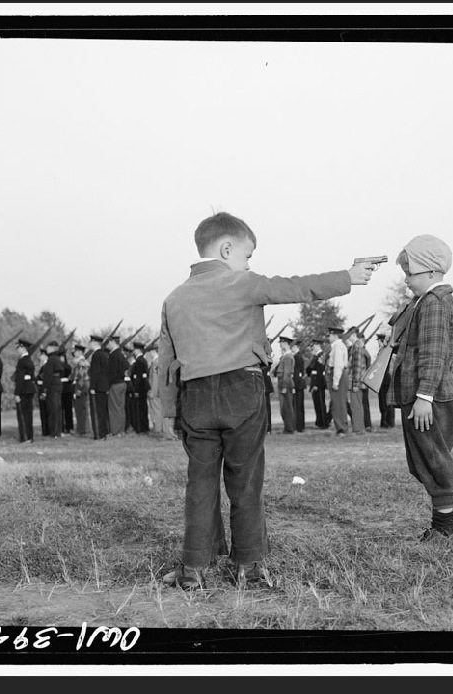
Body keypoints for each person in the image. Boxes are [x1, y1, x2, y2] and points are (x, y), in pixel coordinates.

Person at [157, 211, 375, 590]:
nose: (249, 264)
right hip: (242, 390)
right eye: (247, 255)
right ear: (227, 249)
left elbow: (166, 363)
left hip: (194, 397)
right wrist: (348, 278)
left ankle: (193, 568)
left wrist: (171, 412)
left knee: (200, 484)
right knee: (245, 482)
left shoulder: (173, 299)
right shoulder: (243, 283)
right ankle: (249, 566)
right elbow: (295, 287)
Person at [386, 235, 453, 542]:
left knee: (433, 459)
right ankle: (443, 522)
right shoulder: (423, 303)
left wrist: (424, 397)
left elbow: (433, 352)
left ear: (430, 272)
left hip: (429, 397)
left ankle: (444, 528)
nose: (406, 280)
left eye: (410, 273)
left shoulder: (434, 303)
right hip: (423, 396)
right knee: (424, 459)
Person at [325, 326, 350, 437]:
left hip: (338, 376)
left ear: (335, 335)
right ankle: (341, 426)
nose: (328, 337)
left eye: (329, 335)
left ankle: (341, 428)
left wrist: (335, 382)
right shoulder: (336, 346)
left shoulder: (338, 346)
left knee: (338, 404)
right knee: (339, 403)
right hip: (338, 375)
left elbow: (338, 365)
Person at [87, 335, 111, 440]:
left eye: (91, 342)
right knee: (103, 411)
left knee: (97, 411)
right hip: (104, 386)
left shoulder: (96, 355)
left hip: (97, 387)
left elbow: (95, 372)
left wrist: (92, 387)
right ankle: (105, 432)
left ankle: (98, 433)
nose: (90, 344)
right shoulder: (104, 354)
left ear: (95, 343)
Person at [13, 339, 37, 443]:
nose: (17, 350)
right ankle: (29, 436)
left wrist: (17, 393)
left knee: (23, 414)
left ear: (23, 348)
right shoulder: (29, 360)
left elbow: (20, 379)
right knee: (28, 414)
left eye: (18, 347)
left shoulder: (22, 361)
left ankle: (26, 437)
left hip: (23, 390)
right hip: (29, 388)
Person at [272, 335, 296, 434]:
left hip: (285, 382)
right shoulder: (285, 356)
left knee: (286, 407)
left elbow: (287, 373)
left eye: (282, 343)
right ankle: (288, 427)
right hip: (283, 381)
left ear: (286, 344)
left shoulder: (288, 357)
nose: (280, 345)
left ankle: (289, 428)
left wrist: (285, 386)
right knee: (284, 407)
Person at [41, 340, 65, 438]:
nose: (47, 349)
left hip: (52, 386)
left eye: (48, 347)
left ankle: (54, 432)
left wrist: (44, 389)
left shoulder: (51, 359)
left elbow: (47, 376)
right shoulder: (57, 359)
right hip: (58, 384)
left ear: (52, 348)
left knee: (53, 409)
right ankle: (57, 430)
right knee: (57, 408)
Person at [107, 335, 129, 436]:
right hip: (122, 383)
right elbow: (126, 365)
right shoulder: (120, 354)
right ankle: (121, 430)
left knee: (114, 408)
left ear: (112, 342)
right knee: (120, 408)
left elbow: (111, 372)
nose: (108, 345)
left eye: (109, 342)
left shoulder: (113, 355)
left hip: (115, 384)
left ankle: (116, 431)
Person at [347, 329, 366, 434]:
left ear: (353, 334)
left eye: (350, 334)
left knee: (356, 406)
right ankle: (359, 427)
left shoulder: (356, 346)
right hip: (358, 382)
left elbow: (357, 366)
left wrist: (355, 383)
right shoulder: (358, 346)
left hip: (356, 383)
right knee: (357, 405)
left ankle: (358, 428)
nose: (348, 336)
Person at [375, 331, 396, 429]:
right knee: (385, 401)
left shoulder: (384, 351)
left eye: (379, 341)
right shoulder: (386, 351)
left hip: (385, 378)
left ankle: (386, 422)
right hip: (385, 378)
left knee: (385, 402)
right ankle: (387, 422)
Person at [307, 340, 329, 429]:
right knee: (317, 404)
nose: (313, 347)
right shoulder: (315, 356)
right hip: (314, 381)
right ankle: (319, 422)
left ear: (318, 345)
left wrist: (316, 384)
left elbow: (320, 371)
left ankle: (324, 422)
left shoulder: (321, 356)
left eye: (314, 345)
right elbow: (309, 369)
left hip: (318, 383)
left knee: (320, 403)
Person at [71, 343, 91, 436]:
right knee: (80, 409)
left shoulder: (81, 363)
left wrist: (78, 390)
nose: (74, 353)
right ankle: (82, 429)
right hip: (82, 387)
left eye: (75, 352)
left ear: (79, 352)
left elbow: (81, 377)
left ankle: (82, 430)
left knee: (81, 410)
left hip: (81, 387)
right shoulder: (81, 362)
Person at [131, 342, 150, 434]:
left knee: (140, 409)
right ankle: (144, 427)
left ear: (138, 350)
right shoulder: (143, 360)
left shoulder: (139, 361)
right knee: (143, 408)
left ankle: (141, 428)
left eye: (134, 349)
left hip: (140, 388)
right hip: (143, 388)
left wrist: (136, 390)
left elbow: (138, 377)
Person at [291, 340, 307, 432]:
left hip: (298, 384)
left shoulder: (297, 357)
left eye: (293, 347)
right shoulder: (297, 356)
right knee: (298, 406)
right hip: (299, 384)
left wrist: (294, 385)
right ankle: (299, 425)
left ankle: (299, 426)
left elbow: (297, 373)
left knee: (298, 406)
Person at [60, 348, 76, 434]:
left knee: (68, 409)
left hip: (66, 388)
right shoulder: (63, 366)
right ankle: (63, 426)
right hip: (63, 388)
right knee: (62, 409)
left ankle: (69, 427)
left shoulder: (67, 366)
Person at [35, 349, 49, 437]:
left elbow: (45, 379)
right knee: (43, 411)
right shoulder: (43, 365)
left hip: (44, 390)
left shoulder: (46, 366)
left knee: (45, 411)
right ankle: (45, 430)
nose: (39, 357)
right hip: (41, 389)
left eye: (40, 355)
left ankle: (46, 431)